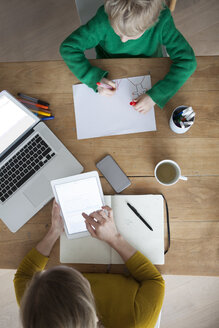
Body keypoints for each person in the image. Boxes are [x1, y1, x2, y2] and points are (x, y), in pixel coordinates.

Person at [14, 200, 165, 328]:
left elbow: (24, 275)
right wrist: (115, 238)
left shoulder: (38, 307)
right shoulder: (136, 322)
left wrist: (54, 231)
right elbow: (154, 281)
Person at [60, 0, 197, 114]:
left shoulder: (162, 20)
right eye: (118, 32)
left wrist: (155, 97)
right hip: (109, 67)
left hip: (150, 66)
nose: (123, 40)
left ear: (151, 24)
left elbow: (188, 62)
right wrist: (94, 78)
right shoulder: (103, 19)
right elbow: (68, 47)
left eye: (130, 35)